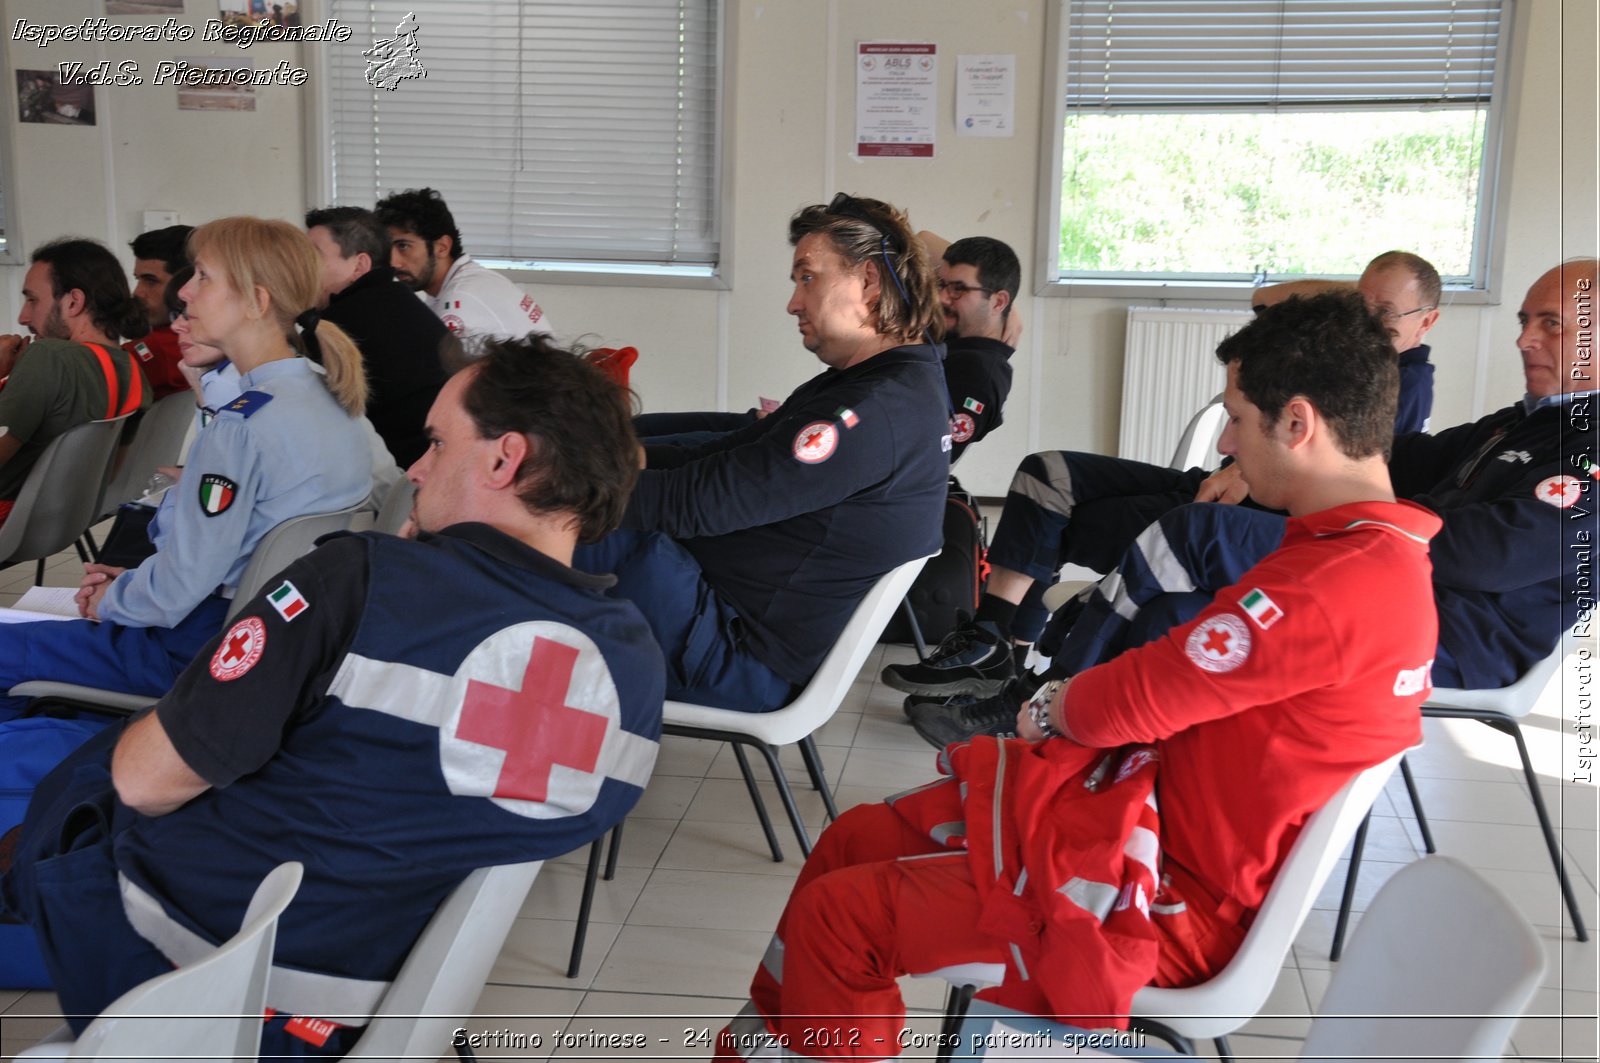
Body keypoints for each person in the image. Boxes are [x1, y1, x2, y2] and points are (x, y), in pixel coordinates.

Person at [714, 291, 1440, 1061]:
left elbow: (1131, 698)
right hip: (1145, 830)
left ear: (1298, 423)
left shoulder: (1338, 584)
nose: (1226, 440)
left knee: (842, 917)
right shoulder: (1357, 555)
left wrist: (1051, 703)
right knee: (852, 839)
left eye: (1236, 416)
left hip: (1164, 902)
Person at [0, 338, 665, 1058]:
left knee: (91, 780)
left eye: (438, 445)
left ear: (504, 458)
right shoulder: (633, 669)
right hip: (364, 1004)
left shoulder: (359, 582)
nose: (416, 468)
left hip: (199, 975)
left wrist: (395, 568)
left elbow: (145, 781)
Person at [912, 258, 1596, 749]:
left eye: (1553, 325)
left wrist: (1354, 515)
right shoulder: (1521, 422)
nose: (1524, 338)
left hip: (1441, 630)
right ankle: (1060, 722)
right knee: (1171, 607)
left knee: (1191, 537)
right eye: (1525, 319)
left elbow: (1482, 553)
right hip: (1378, 582)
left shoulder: (1584, 448)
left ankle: (1045, 711)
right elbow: (1396, 466)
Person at [886, 250, 1443, 703]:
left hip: (1247, 508)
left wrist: (1245, 474)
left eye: (1384, 312)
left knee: (1064, 523)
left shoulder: (1399, 382)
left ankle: (1014, 671)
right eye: (1358, 302)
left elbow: (1327, 462)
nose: (1367, 320)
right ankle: (996, 645)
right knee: (1048, 473)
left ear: (1427, 321)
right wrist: (1352, 304)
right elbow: (1262, 300)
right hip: (1221, 480)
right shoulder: (1341, 350)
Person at [573, 193, 950, 712]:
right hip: (723, 620)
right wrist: (617, 461)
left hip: (736, 655)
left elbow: (697, 502)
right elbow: (724, 456)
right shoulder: (883, 384)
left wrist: (552, 487)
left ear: (868, 281)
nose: (794, 302)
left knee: (543, 525)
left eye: (808, 278)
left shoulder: (870, 411)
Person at [0, 218, 372, 719]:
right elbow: (214, 560)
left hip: (195, 645)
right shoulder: (323, 392)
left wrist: (111, 600)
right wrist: (133, 585)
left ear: (256, 302)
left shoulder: (242, 425)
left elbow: (183, 585)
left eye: (203, 278)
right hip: (269, 634)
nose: (188, 294)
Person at [0, 239, 150, 525]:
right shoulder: (131, 370)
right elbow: (110, 473)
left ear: (73, 302)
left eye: (32, 299)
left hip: (10, 519)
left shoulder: (48, 356)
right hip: (59, 522)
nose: (23, 316)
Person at [305, 205, 451, 466]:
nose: (301, 269)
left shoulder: (344, 322)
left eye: (312, 257)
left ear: (360, 264)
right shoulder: (397, 299)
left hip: (417, 477)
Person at [375, 187, 553, 356]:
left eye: (403, 246)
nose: (392, 262)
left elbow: (444, 375)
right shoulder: (469, 280)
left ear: (442, 247)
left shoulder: (461, 297)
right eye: (387, 249)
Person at [124, 224, 195, 400]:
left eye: (151, 281)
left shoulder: (158, 349)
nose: (137, 292)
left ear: (185, 282)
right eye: (138, 279)